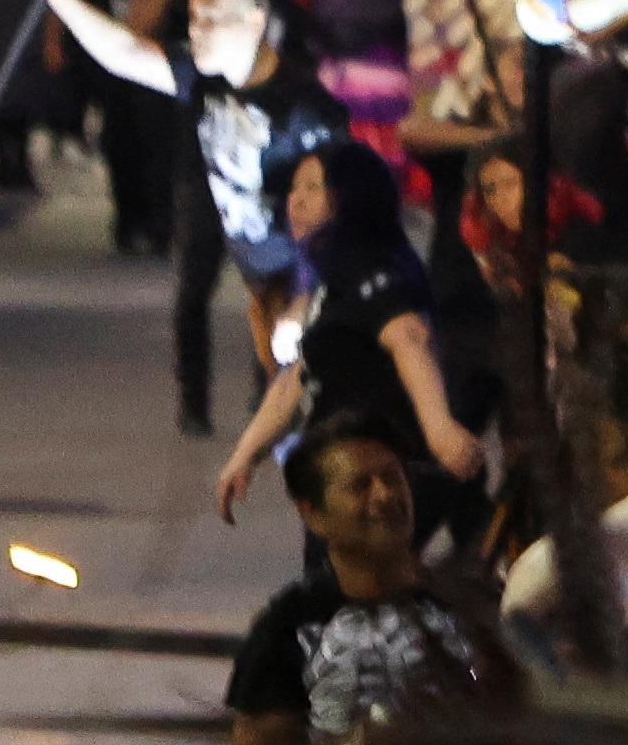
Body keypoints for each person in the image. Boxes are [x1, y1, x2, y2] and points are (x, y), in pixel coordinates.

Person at [34, 0, 346, 438]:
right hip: (250, 261)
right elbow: (126, 54)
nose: (196, 31)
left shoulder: (306, 110)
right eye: (194, 17)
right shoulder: (205, 76)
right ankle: (198, 407)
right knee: (197, 293)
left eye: (212, 20)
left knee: (307, 418)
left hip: (297, 278)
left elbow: (342, 222)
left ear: (255, 21)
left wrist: (305, 302)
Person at [225, 416, 512, 745]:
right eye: (360, 485)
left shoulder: (476, 603)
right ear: (312, 514)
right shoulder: (289, 624)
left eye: (394, 477)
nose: (385, 496)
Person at [208, 139, 486, 534]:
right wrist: (245, 455)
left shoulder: (372, 268)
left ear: (351, 197)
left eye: (313, 188)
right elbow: (296, 380)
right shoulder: (332, 278)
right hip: (338, 476)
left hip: (374, 484)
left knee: (354, 587)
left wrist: (439, 428)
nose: (295, 202)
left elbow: (408, 337)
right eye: (293, 189)